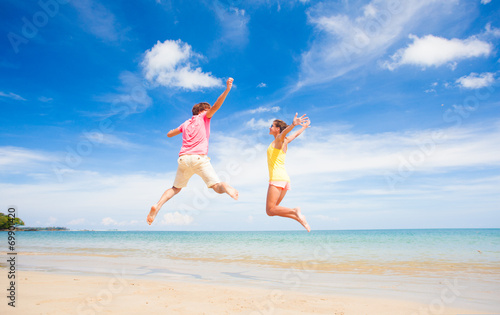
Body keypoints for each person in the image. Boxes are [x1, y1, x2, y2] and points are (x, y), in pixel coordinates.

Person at [147, 78, 239, 225]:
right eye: (208, 110)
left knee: (175, 188)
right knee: (216, 186)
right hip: (199, 158)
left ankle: (157, 206)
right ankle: (226, 187)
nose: (210, 112)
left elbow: (169, 134)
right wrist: (227, 89)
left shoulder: (186, 123)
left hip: (183, 159)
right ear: (203, 111)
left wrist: (171, 131)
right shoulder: (204, 117)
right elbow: (216, 106)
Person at [266, 113, 311, 232]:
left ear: (277, 129)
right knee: (272, 210)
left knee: (269, 210)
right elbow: (295, 135)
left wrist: (293, 125)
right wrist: (303, 127)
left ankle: (294, 211)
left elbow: (285, 133)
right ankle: (299, 218)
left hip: (276, 179)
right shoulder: (285, 141)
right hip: (284, 179)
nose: (270, 127)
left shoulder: (279, 140)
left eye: (272, 125)